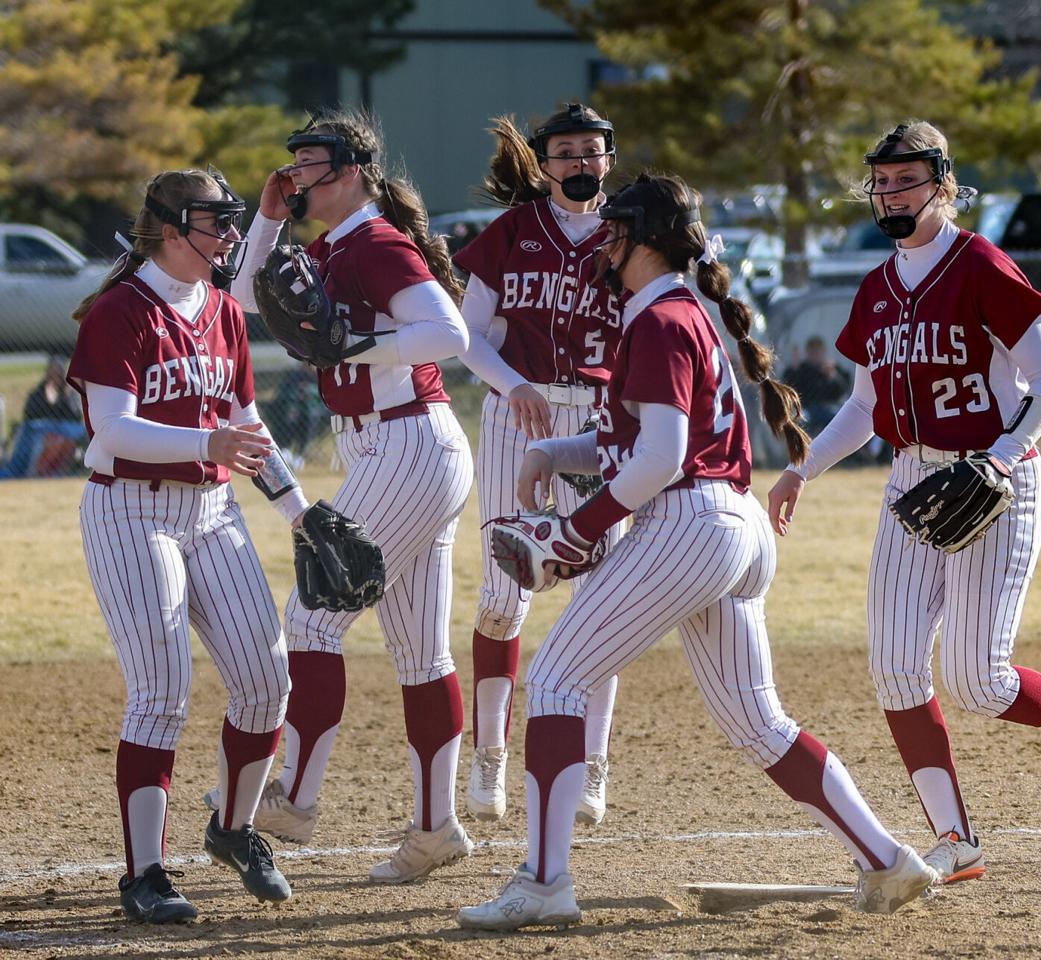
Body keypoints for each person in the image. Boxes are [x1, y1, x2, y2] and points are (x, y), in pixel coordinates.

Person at [456, 173, 938, 931]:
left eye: (615, 234)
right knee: (759, 723)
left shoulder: (658, 318)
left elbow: (662, 456)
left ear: (643, 240)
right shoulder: (679, 311)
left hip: (688, 524)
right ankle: (885, 858)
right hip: (727, 525)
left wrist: (582, 528)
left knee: (553, 681)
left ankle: (544, 882)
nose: (603, 247)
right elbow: (640, 442)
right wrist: (555, 451)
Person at [767, 122, 1041, 886]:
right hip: (912, 480)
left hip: (996, 479)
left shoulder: (980, 264)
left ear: (943, 184)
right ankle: (956, 841)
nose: (892, 194)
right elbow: (864, 407)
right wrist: (803, 468)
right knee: (895, 667)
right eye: (882, 182)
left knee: (976, 681)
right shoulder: (876, 288)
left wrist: (998, 455)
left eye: (907, 180)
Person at [225, 109, 475, 884]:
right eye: (295, 163)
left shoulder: (374, 243)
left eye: (312, 163)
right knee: (420, 652)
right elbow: (242, 295)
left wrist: (359, 345)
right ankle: (436, 828)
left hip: (407, 440)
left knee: (311, 617)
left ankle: (296, 800)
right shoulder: (331, 246)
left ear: (354, 171)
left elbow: (450, 335)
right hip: (393, 446)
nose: (298, 175)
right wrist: (268, 217)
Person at [68, 169, 307, 922]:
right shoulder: (120, 310)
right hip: (130, 511)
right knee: (161, 691)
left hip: (213, 509)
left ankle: (233, 829)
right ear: (171, 231)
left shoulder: (223, 310)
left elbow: (246, 426)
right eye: (215, 222)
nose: (231, 236)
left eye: (234, 221)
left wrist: (300, 512)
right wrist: (208, 442)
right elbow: (113, 429)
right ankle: (144, 874)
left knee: (267, 681)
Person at [452, 103, 624, 825]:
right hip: (515, 416)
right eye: (565, 151)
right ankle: (490, 753)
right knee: (503, 592)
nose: (579, 161)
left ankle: (592, 763)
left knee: (603, 595)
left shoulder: (631, 233)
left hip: (601, 419)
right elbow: (466, 334)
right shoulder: (513, 231)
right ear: (544, 163)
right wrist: (513, 383)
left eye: (591, 149)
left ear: (608, 158)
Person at [0, 355, 87, 477]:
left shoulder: (70, 391)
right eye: (52, 371)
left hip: (66, 429)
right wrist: (47, 399)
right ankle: (18, 468)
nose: (54, 375)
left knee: (38, 430)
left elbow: (76, 416)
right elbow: (29, 414)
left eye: (57, 372)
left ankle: (24, 471)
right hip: (43, 429)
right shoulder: (40, 391)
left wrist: (63, 398)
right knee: (28, 428)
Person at [782, 336, 851, 433]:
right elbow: (789, 387)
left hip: (829, 407)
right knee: (801, 422)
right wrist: (794, 368)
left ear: (823, 351)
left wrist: (833, 376)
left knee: (842, 419)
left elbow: (844, 389)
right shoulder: (802, 369)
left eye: (818, 351)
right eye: (812, 351)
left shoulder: (831, 367)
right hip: (808, 409)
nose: (816, 354)